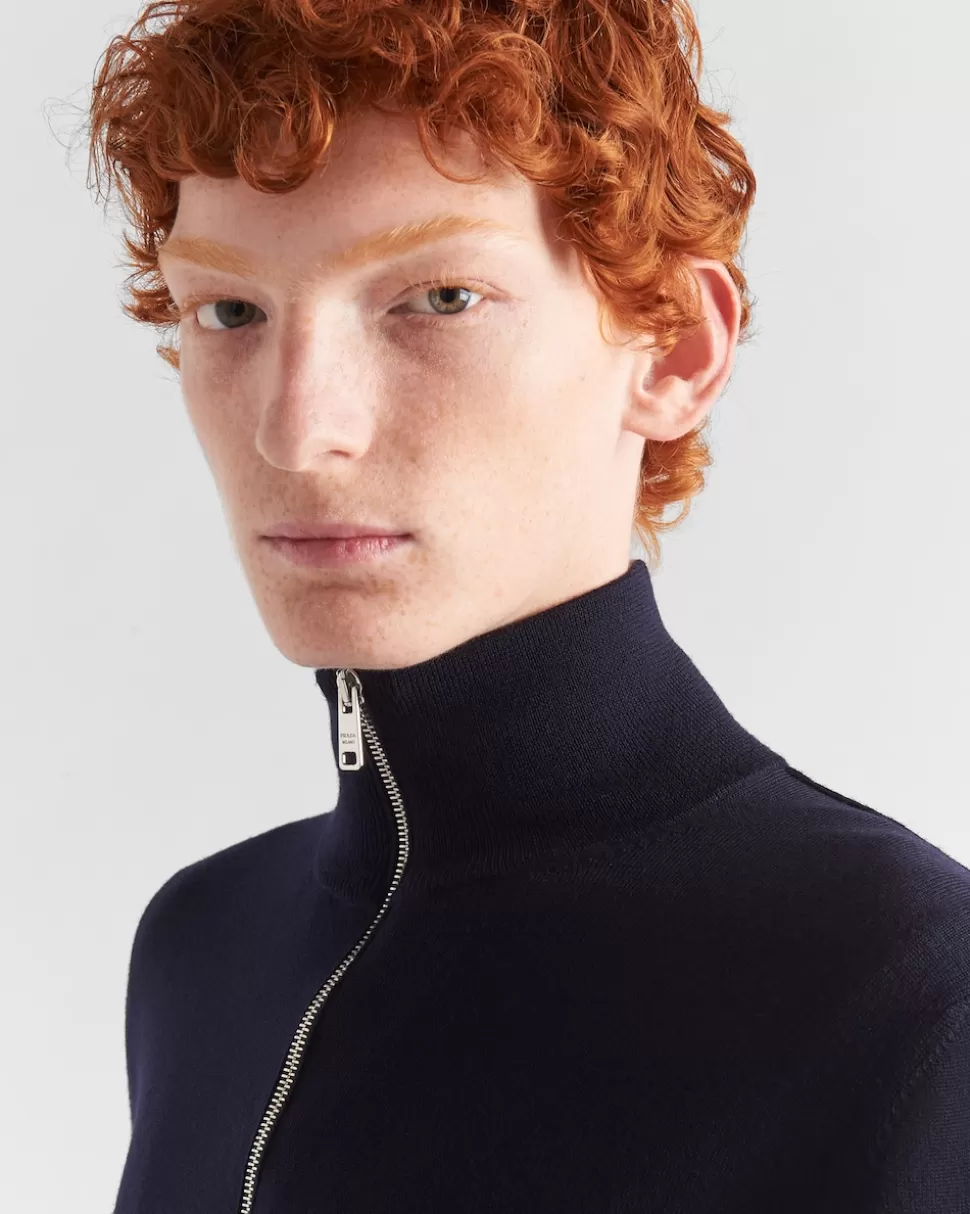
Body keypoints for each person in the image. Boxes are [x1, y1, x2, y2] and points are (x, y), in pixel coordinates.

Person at [81, 2, 969, 1211]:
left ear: (673, 352)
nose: (295, 430)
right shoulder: (200, 944)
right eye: (231, 311)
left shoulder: (908, 1001)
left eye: (438, 297)